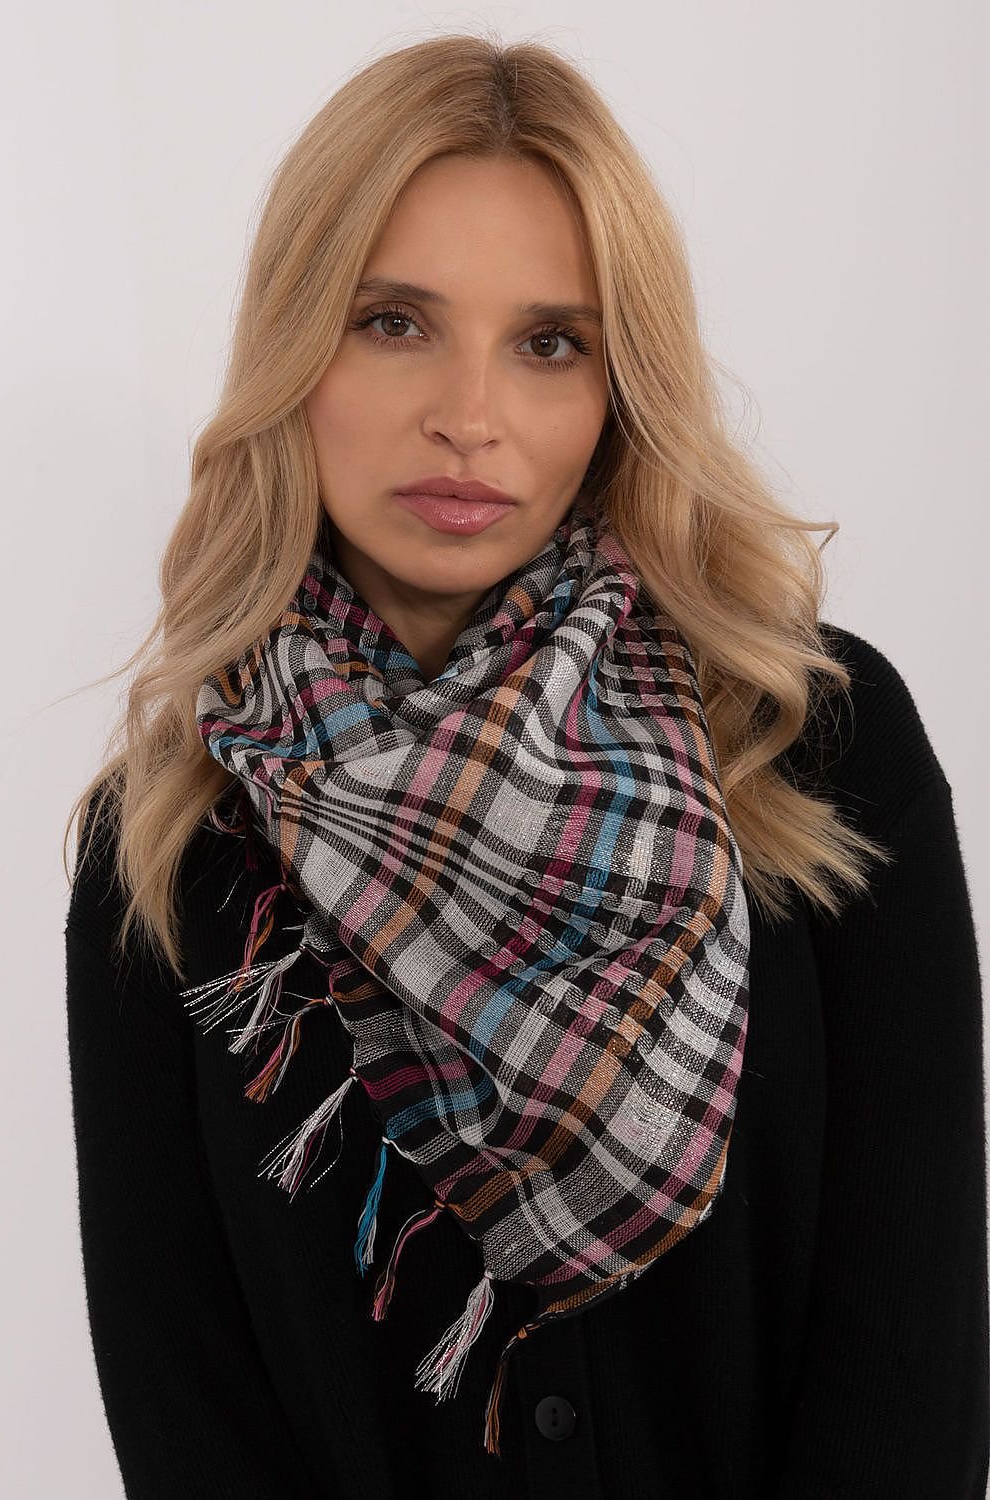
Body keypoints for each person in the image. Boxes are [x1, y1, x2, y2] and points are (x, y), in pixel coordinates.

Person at [63, 32, 989, 1500]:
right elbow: (187, 1414)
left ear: (621, 387)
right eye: (394, 322)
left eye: (549, 343)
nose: (470, 415)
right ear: (296, 345)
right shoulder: (173, 845)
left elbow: (911, 1365)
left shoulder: (814, 740)